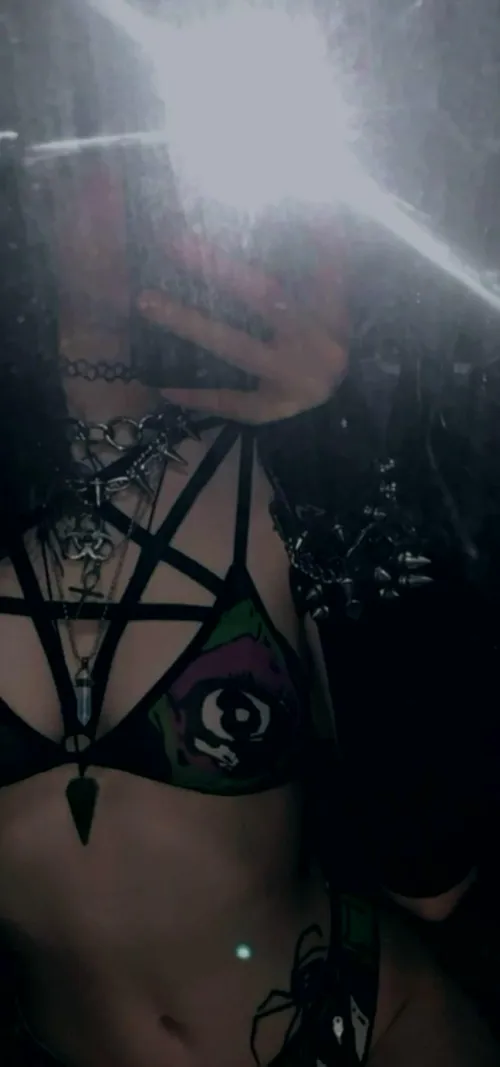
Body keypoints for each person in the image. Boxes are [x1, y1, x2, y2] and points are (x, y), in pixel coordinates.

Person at [0, 3, 497, 1065]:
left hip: (370, 1030)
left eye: (174, 150)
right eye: (111, 138)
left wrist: (340, 448)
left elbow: (432, 874)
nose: (152, 181)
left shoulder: (288, 465)